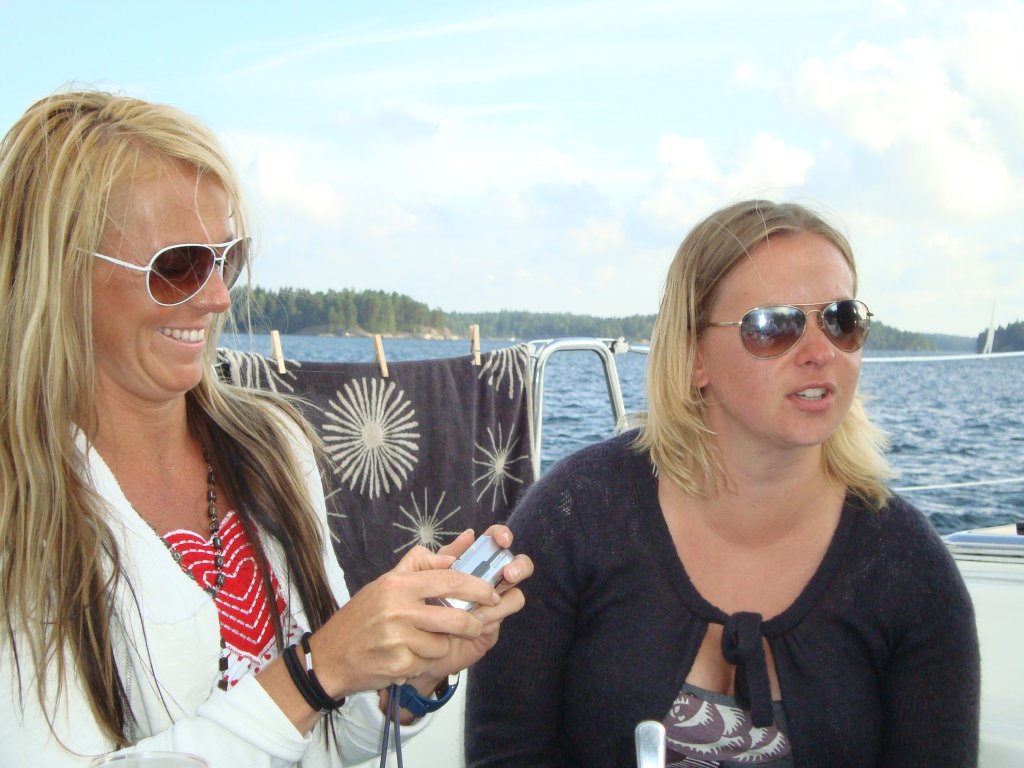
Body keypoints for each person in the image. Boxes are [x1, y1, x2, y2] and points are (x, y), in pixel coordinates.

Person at [0, 89, 532, 767]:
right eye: (179, 265)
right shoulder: (21, 508)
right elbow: (312, 683)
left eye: (227, 257)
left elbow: (323, 733)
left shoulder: (271, 447)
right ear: (58, 274)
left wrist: (409, 673)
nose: (218, 295)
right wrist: (318, 668)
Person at [466, 200, 980, 767]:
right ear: (694, 356)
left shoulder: (908, 566)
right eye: (774, 325)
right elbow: (505, 752)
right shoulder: (575, 516)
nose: (820, 353)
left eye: (842, 320)